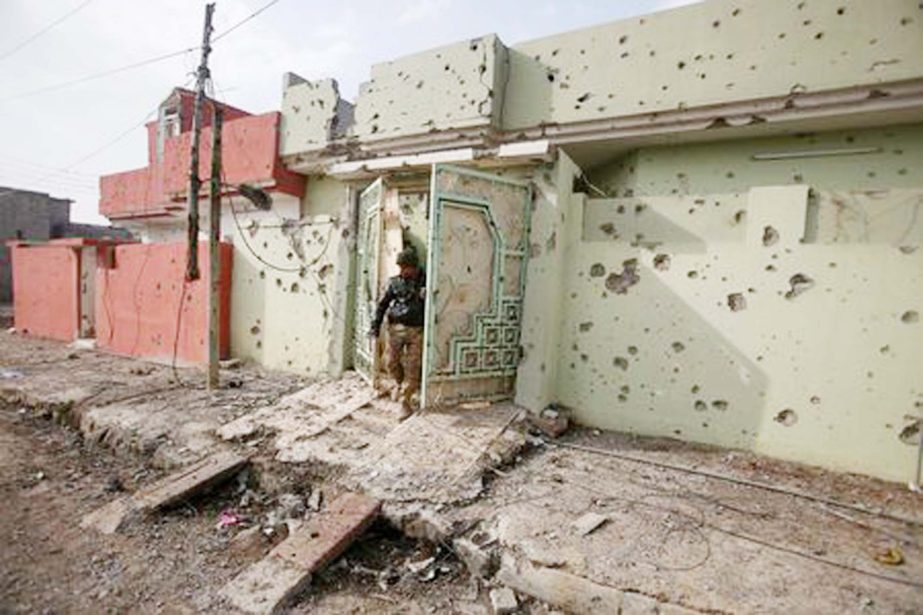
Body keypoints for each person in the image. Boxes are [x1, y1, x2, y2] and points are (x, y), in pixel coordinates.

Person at [370, 247, 426, 420]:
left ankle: (406, 401)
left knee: (413, 366)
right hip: (395, 329)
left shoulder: (426, 281)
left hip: (416, 330)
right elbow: (382, 305)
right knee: (390, 362)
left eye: (405, 267)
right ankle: (401, 385)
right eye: (400, 267)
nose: (402, 271)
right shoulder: (395, 282)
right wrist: (375, 326)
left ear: (414, 267)